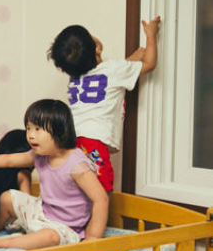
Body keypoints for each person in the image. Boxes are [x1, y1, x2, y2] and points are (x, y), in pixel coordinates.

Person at [0, 99, 109, 251]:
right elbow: (9, 160)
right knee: (7, 197)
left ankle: (2, 243)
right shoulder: (40, 155)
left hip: (64, 227)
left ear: (60, 131)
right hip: (41, 212)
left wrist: (92, 237)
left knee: (49, 237)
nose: (31, 135)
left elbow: (100, 198)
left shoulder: (77, 165)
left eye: (37, 129)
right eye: (28, 128)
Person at [48, 17, 160, 191]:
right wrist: (151, 35)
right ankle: (101, 219)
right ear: (97, 49)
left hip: (70, 139)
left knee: (80, 187)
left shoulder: (75, 77)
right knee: (101, 188)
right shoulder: (114, 70)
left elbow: (108, 77)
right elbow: (149, 64)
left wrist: (130, 61)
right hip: (93, 140)